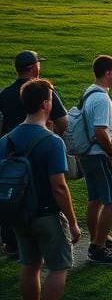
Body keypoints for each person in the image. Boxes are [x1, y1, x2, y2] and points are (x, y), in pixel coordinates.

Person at [1, 78, 82, 300]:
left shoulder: (5, 141)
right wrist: (72, 221)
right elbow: (59, 186)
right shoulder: (52, 141)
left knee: (30, 264)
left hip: (18, 213)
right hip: (46, 213)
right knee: (58, 266)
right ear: (46, 104)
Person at [0, 50, 68, 256]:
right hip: (39, 148)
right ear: (32, 67)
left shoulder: (4, 93)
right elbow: (63, 121)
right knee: (40, 190)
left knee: (12, 189)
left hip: (11, 150)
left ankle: (11, 241)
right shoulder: (43, 91)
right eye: (38, 63)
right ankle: (39, 236)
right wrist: (52, 135)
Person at [78, 54, 112, 264]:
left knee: (95, 199)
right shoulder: (101, 98)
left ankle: (100, 238)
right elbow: (100, 132)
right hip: (99, 155)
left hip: (88, 155)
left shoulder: (89, 92)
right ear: (107, 73)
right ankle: (98, 248)